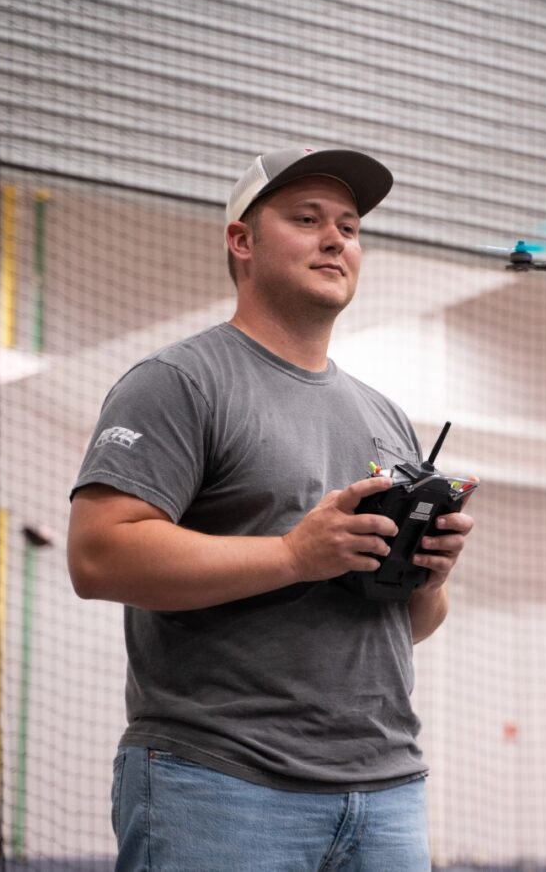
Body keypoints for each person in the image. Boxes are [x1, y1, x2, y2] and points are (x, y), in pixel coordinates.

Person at [67, 147, 475, 871]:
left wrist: (429, 575)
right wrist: (294, 554)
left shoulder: (384, 415)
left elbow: (410, 624)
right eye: (308, 219)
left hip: (386, 792)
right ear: (241, 240)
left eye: (349, 227)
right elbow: (99, 553)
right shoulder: (178, 382)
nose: (336, 239)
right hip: (222, 782)